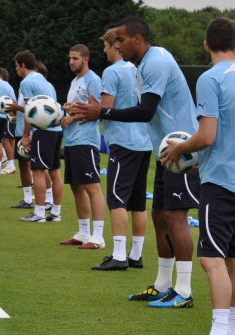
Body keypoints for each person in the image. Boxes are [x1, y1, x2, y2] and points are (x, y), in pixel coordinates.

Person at [68, 17, 199, 308]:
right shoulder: (144, 64)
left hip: (183, 150)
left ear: (137, 39)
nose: (116, 46)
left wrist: (101, 113)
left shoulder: (156, 61)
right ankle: (164, 285)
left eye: (120, 41)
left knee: (177, 218)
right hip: (167, 151)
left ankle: (185, 291)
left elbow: (145, 111)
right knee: (160, 216)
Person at [161, 17, 235, 332]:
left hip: (221, 183)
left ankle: (219, 330)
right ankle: (233, 330)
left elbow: (208, 135)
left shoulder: (211, 79)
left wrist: (181, 150)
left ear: (206, 44)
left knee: (212, 260)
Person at [92, 28, 152, 271]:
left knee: (117, 200)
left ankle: (119, 255)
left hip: (124, 143)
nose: (104, 50)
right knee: (138, 202)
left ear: (115, 44)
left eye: (105, 46)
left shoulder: (111, 72)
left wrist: (83, 108)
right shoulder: (139, 69)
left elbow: (106, 108)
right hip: (144, 142)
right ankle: (136, 255)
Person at [59, 44, 106, 248]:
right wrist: (67, 109)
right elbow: (80, 105)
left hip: (86, 140)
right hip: (71, 141)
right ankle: (84, 233)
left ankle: (99, 236)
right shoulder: (74, 81)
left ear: (86, 59)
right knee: (76, 187)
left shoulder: (93, 80)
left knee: (92, 187)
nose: (71, 62)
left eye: (75, 58)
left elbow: (99, 109)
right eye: (70, 58)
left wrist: (72, 117)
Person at [6, 51, 37, 210]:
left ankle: (34, 202)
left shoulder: (27, 83)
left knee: (35, 168)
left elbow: (31, 109)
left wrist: (26, 134)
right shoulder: (39, 81)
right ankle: (39, 201)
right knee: (37, 168)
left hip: (30, 130)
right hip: (30, 129)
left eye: (16, 66)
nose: (16, 69)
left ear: (23, 65)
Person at [36, 61, 64, 222]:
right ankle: (56, 212)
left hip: (43, 129)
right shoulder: (50, 86)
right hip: (56, 129)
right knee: (54, 170)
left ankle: (39, 212)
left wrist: (27, 134)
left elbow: (32, 109)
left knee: (38, 170)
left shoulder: (32, 83)